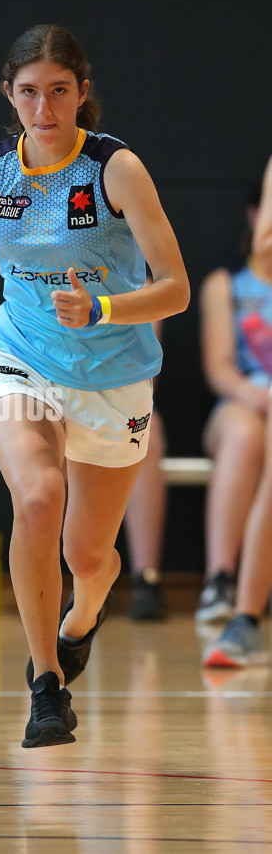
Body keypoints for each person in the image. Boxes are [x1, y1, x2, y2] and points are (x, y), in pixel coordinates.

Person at [0, 24, 190, 747]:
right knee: (37, 497)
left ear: (81, 94)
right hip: (21, 356)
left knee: (88, 560)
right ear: (10, 95)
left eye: (58, 91)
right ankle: (45, 685)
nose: (44, 107)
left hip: (113, 376)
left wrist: (102, 306)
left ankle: (82, 617)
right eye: (29, 92)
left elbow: (176, 289)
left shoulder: (114, 170)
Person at [203, 155, 272, 667]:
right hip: (244, 401)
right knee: (248, 434)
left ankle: (246, 614)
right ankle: (225, 587)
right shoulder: (228, 285)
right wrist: (257, 396)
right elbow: (220, 367)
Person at [123, 313, 169, 621]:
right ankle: (53, 579)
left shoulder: (142, 285)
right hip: (55, 390)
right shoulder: (44, 274)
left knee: (146, 433)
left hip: (119, 396)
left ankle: (146, 580)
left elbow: (143, 372)